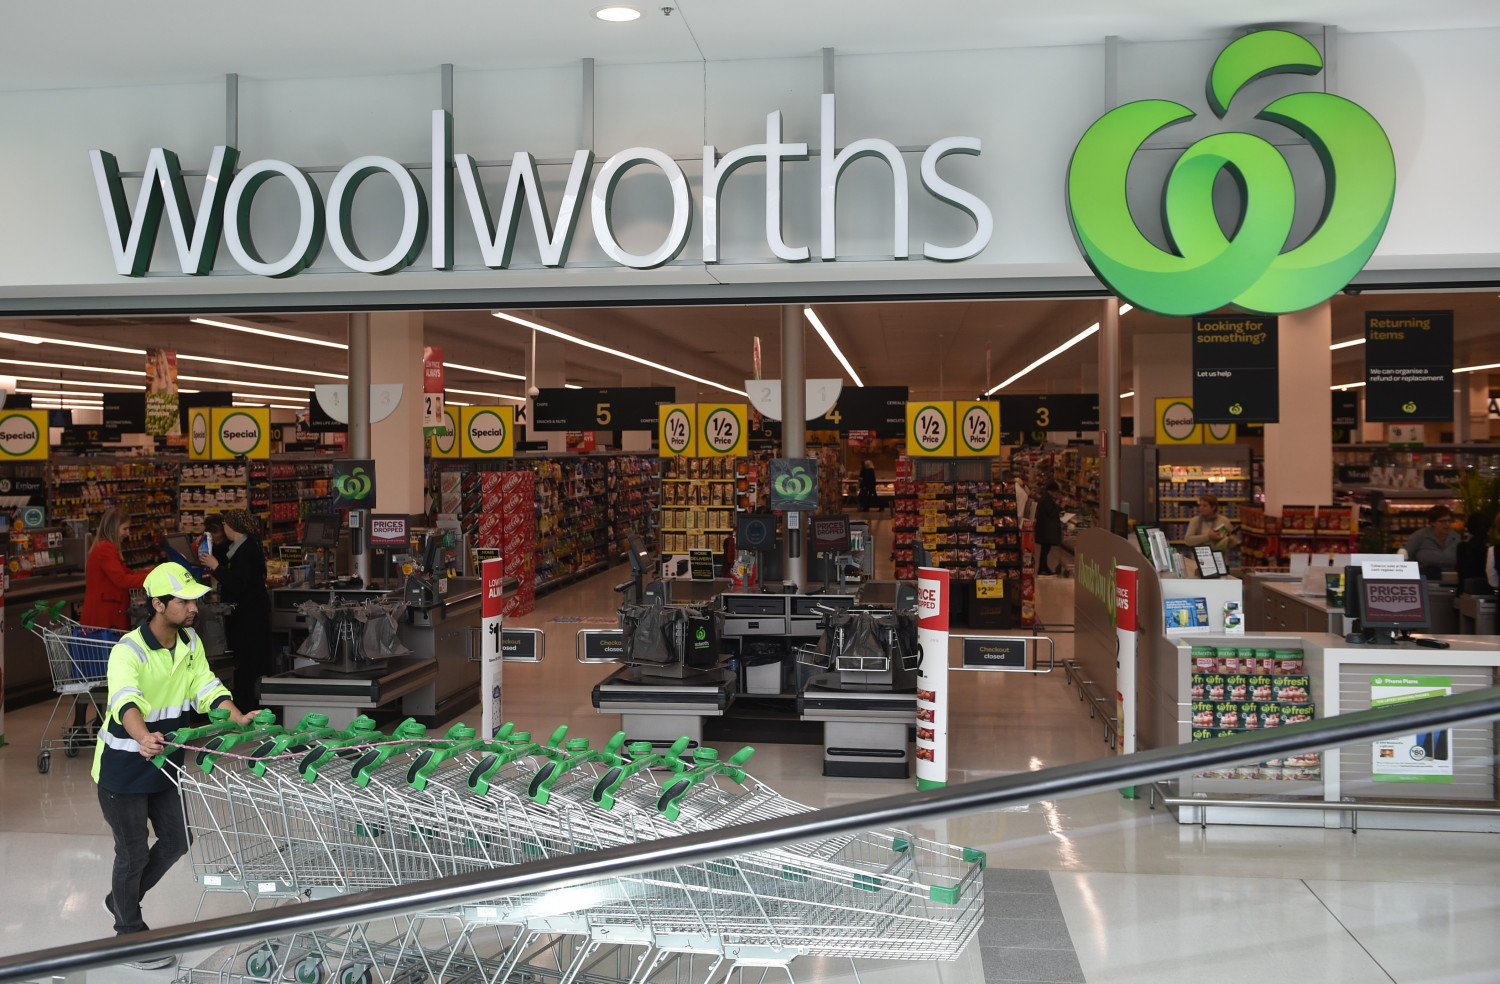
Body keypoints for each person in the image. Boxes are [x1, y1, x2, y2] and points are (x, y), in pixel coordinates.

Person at [93, 562, 254, 965]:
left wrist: (236, 716)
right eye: (183, 601)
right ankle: (127, 935)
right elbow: (125, 701)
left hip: (165, 764)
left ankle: (120, 901)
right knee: (131, 854)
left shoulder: (189, 643)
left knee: (179, 840)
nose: (193, 607)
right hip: (123, 769)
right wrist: (142, 735)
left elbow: (206, 686)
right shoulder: (127, 650)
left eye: (194, 600)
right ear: (159, 604)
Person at [199, 509, 274, 702]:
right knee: (248, 661)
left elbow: (238, 583)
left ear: (234, 527)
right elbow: (225, 559)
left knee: (250, 662)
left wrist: (216, 567)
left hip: (250, 616)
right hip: (248, 613)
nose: (223, 528)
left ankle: (248, 704)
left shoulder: (247, 550)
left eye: (225, 524)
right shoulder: (239, 546)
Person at [81, 507, 150, 631]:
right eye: (125, 529)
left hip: (107, 615)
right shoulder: (105, 548)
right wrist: (154, 577)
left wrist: (154, 571)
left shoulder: (106, 547)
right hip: (104, 618)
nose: (128, 533)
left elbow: (128, 573)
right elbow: (122, 579)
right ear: (113, 528)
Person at [1403, 504, 1459, 574]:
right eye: (1442, 521)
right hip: (1426, 578)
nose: (1447, 524)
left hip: (1450, 578)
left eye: (1449, 520)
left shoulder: (1456, 537)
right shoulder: (1419, 536)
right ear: (1433, 522)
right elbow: (1405, 558)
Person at [1456, 512, 1493, 594]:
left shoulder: (1461, 547)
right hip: (1483, 593)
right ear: (1488, 529)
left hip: (1462, 592)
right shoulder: (1489, 550)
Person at [1035, 481, 1063, 576]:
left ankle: (1044, 567)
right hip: (1046, 530)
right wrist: (1061, 507)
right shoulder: (1046, 499)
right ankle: (1042, 568)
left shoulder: (1046, 498)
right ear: (1052, 490)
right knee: (1045, 550)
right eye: (1056, 492)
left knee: (1045, 550)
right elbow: (1051, 512)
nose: (1056, 494)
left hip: (1045, 530)